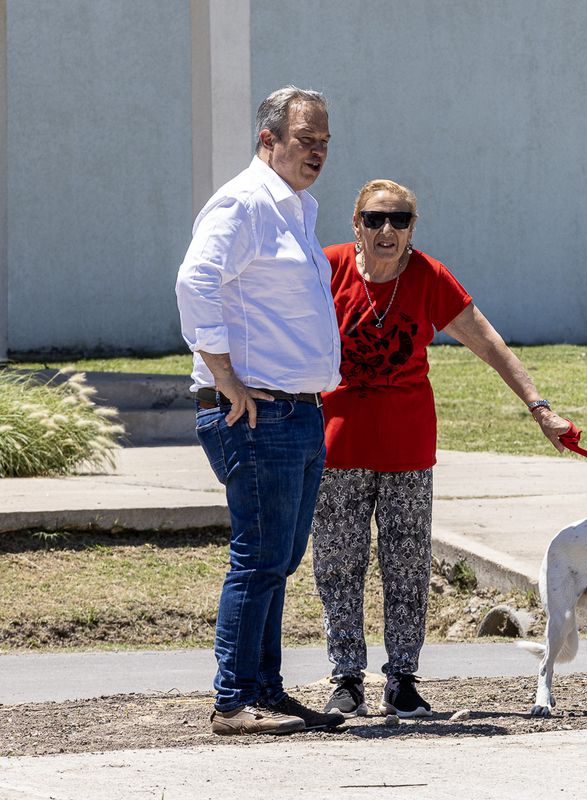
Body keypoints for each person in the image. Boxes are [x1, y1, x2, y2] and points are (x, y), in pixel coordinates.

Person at [311, 179, 571, 719]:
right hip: (336, 446)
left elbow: (488, 342)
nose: (388, 230)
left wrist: (539, 407)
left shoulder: (428, 277)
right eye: (376, 219)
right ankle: (346, 678)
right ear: (355, 224)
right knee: (339, 563)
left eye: (401, 220)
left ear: (413, 228)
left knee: (406, 565)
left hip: (407, 447)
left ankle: (402, 679)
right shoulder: (326, 266)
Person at [176, 86, 344, 736]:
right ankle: (233, 699)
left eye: (325, 141)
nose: (319, 152)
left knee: (280, 557)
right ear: (268, 139)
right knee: (258, 556)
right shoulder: (245, 200)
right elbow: (195, 281)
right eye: (307, 140)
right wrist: (224, 379)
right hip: (256, 416)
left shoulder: (295, 208)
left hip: (298, 413)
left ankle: (265, 692)